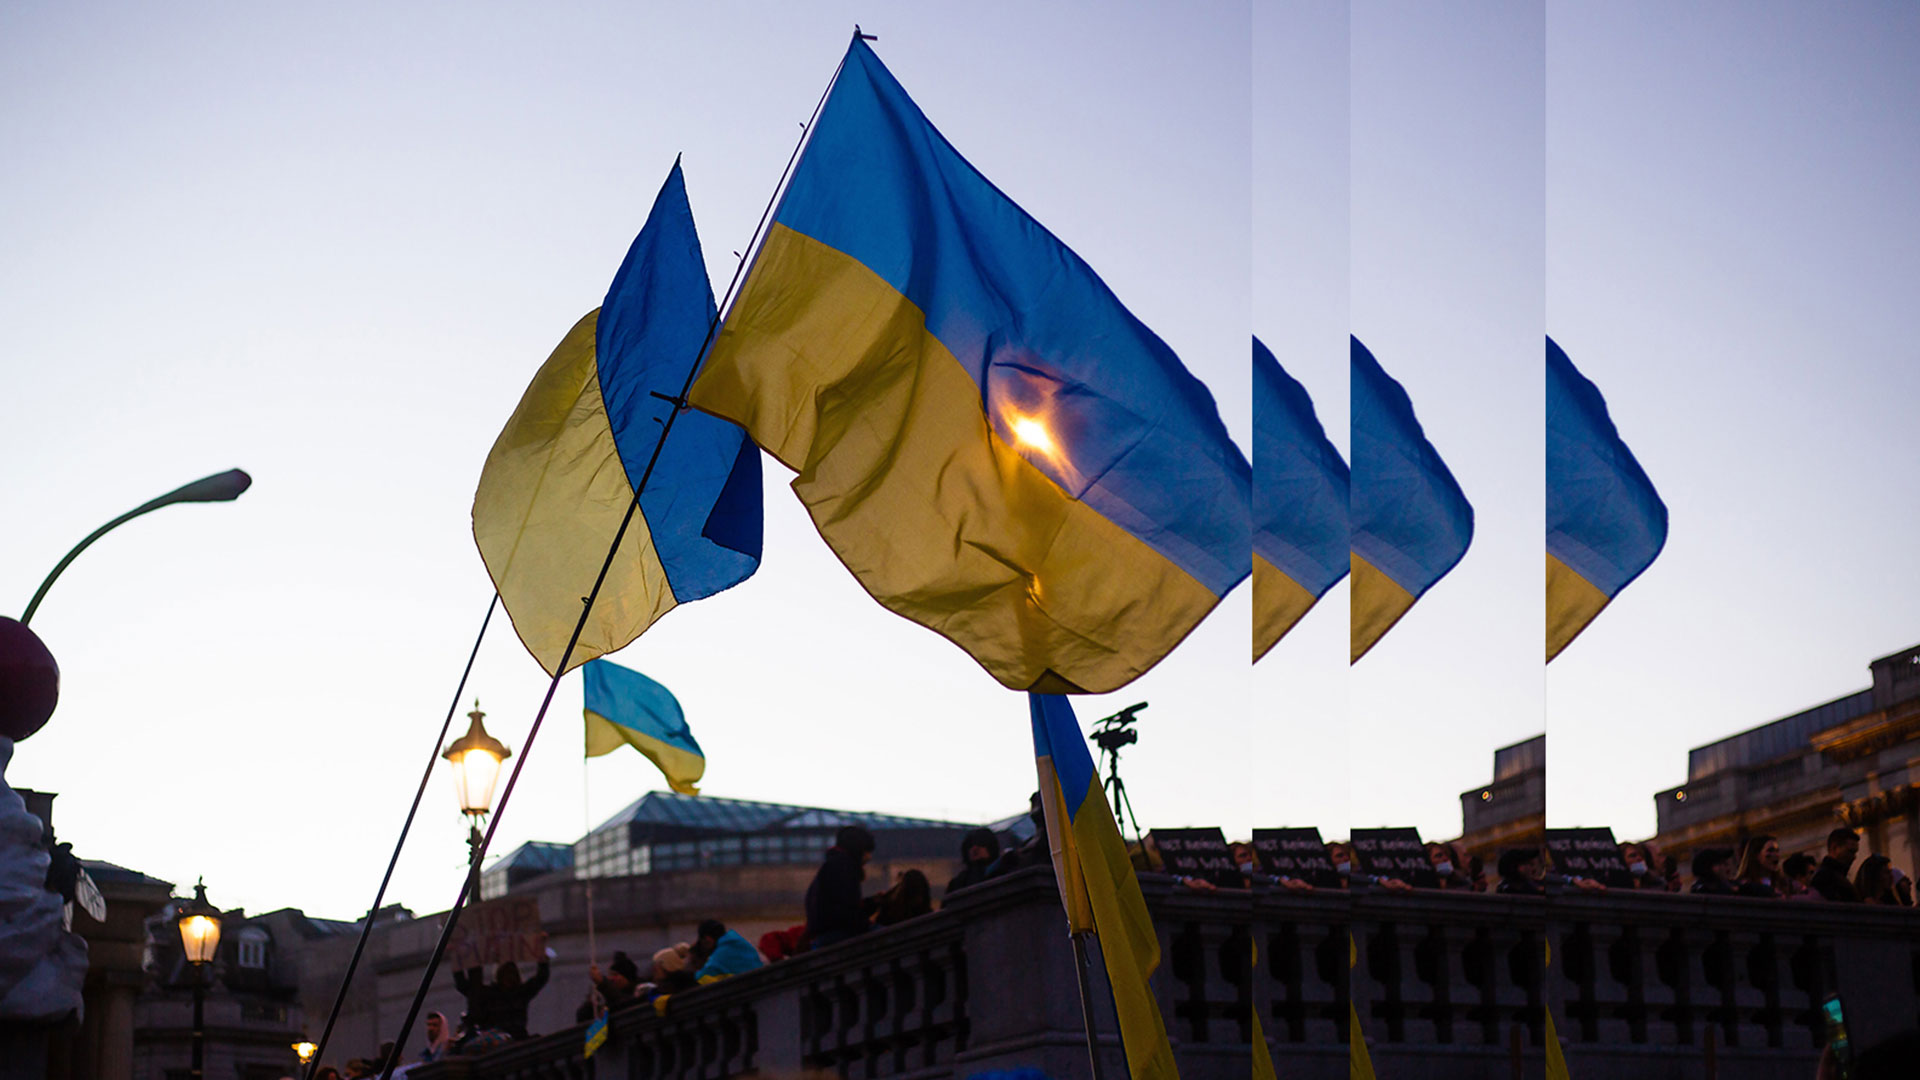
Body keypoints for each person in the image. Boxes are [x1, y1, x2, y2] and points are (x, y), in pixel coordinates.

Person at [806, 824, 879, 948]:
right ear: (858, 849)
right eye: (867, 851)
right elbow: (848, 915)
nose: (869, 857)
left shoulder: (834, 865)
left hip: (827, 934)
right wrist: (866, 921)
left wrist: (872, 903)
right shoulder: (844, 868)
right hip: (837, 936)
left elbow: (842, 907)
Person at [693, 922, 766, 982]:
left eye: (702, 943)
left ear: (707, 939)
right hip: (759, 982)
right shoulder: (740, 943)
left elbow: (700, 978)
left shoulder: (720, 955)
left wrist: (691, 961)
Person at [944, 827, 1002, 897]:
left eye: (981, 843)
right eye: (970, 845)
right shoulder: (958, 883)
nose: (974, 848)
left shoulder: (1005, 871)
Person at [1810, 828, 1862, 901]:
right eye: (1850, 851)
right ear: (1834, 848)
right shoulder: (1825, 878)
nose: (1854, 857)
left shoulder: (1831, 876)